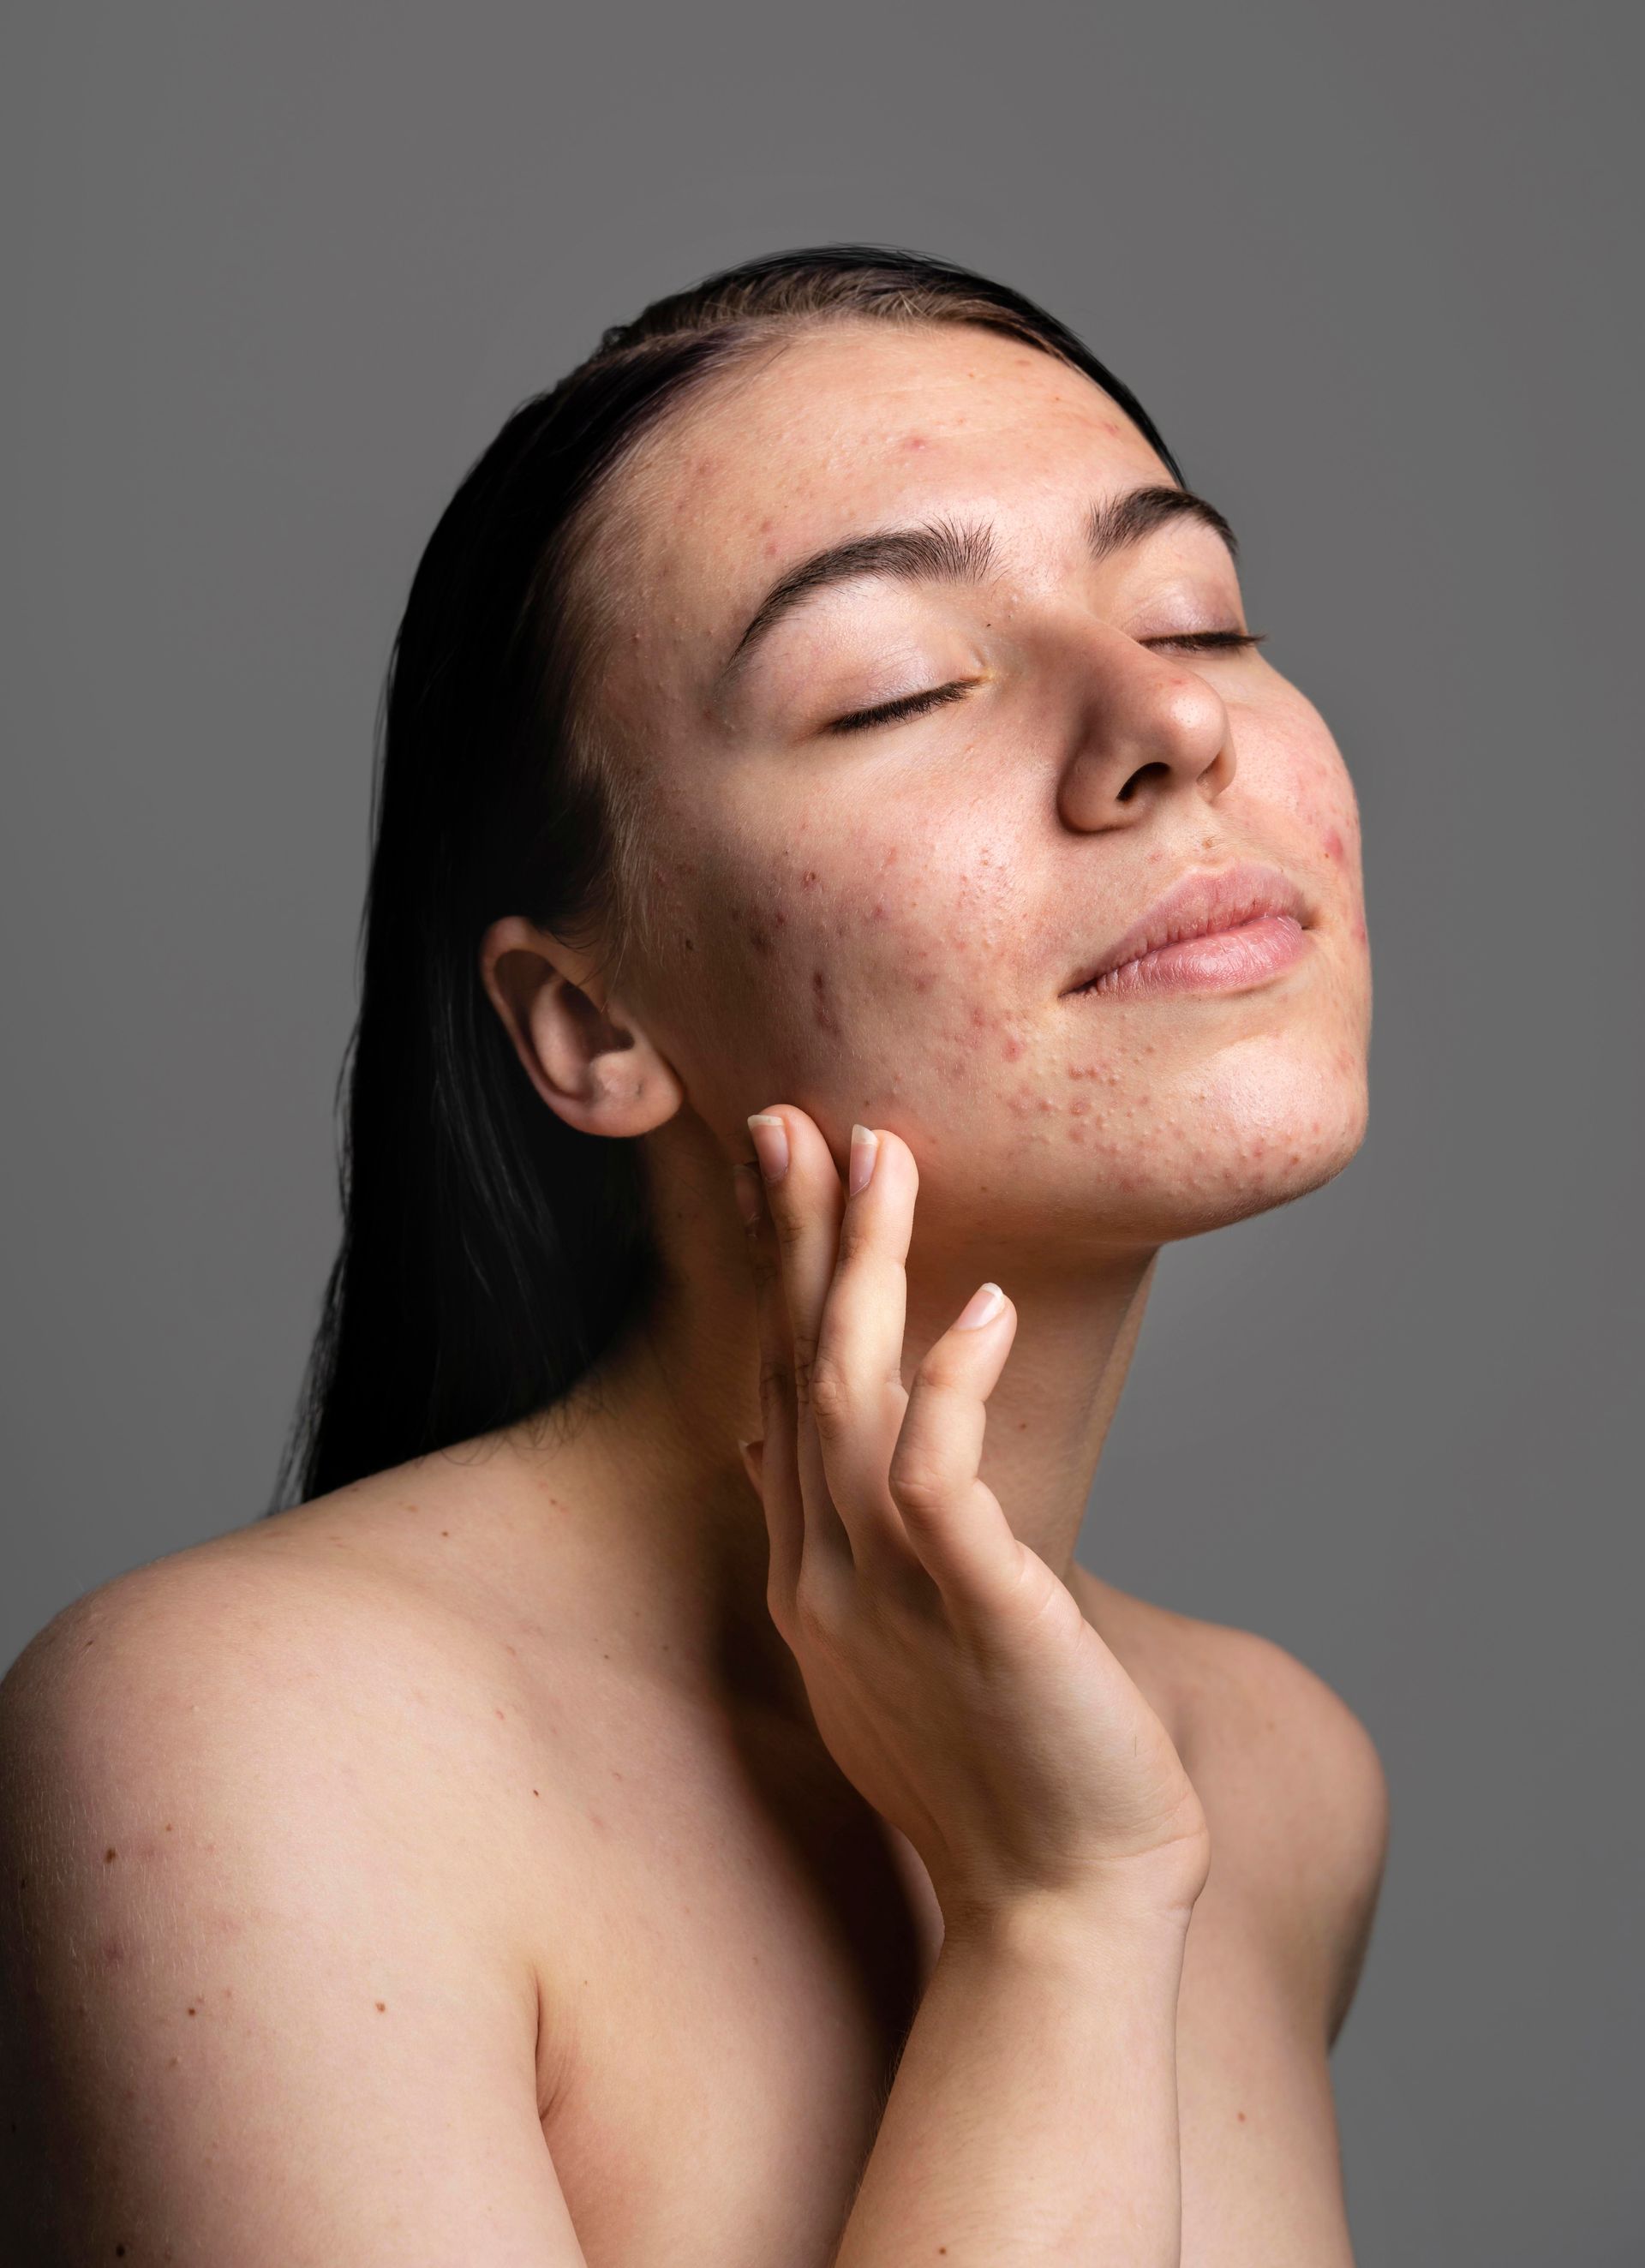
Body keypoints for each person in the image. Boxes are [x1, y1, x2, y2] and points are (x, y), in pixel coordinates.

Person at [0, 245, 1389, 2265]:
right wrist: (1061, 1918)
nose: (1173, 714)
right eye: (898, 685)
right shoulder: (250, 1750)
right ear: (592, 1022)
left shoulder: (1279, 1780)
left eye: (1199, 614)